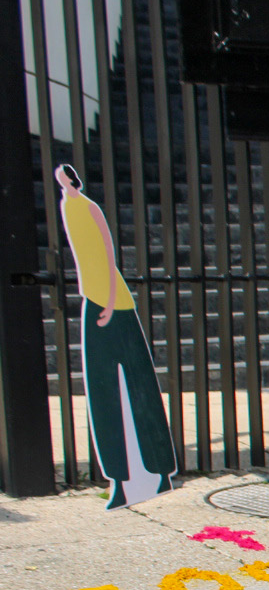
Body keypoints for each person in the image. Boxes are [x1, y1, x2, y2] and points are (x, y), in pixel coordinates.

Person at [57, 163, 177, 508]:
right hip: (91, 299)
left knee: (139, 385)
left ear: (74, 180)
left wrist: (109, 301)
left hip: (114, 302)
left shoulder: (90, 207)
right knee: (103, 393)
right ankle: (121, 482)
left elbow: (107, 254)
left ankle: (161, 471)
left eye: (66, 179)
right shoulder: (68, 207)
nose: (65, 184)